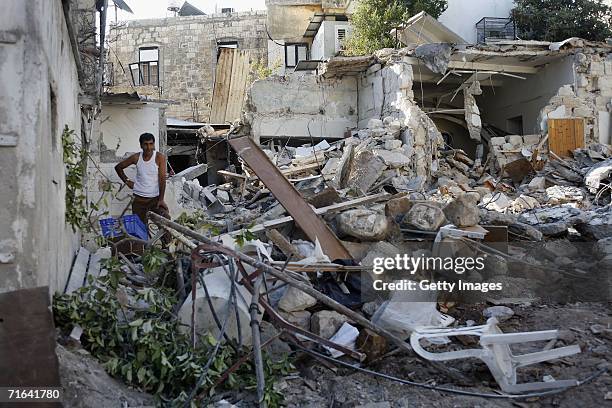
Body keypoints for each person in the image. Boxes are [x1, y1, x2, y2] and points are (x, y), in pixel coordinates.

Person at [115, 132, 170, 231]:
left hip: (155, 199)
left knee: (165, 222)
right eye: (145, 144)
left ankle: (166, 246)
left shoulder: (159, 157)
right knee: (139, 229)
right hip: (139, 200)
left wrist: (161, 199)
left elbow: (162, 179)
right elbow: (118, 167)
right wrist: (127, 181)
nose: (149, 147)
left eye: (151, 144)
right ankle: (143, 246)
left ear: (154, 144)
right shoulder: (136, 157)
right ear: (141, 145)